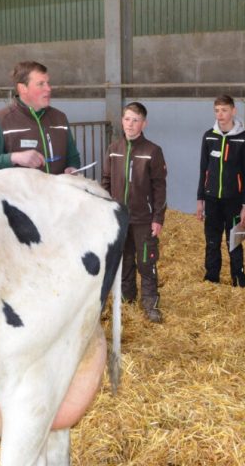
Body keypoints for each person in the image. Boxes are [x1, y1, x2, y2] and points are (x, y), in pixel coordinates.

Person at [101, 102, 167, 323]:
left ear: (143, 124)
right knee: (124, 260)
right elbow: (106, 181)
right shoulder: (113, 149)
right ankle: (127, 299)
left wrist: (158, 217)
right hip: (120, 218)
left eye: (135, 120)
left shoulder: (152, 151)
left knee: (146, 261)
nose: (130, 124)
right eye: (127, 119)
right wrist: (107, 211)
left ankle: (150, 303)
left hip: (143, 219)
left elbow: (160, 187)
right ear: (122, 121)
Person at [0, 61, 81, 174]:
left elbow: (73, 157)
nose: (48, 89)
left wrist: (72, 167)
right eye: (41, 84)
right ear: (23, 88)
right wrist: (14, 158)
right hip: (18, 186)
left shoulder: (60, 118)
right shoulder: (0, 121)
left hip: (56, 185)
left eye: (48, 83)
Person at [196, 95, 245, 287]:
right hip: (212, 198)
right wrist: (200, 199)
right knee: (212, 241)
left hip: (234, 200)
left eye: (224, 110)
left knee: (234, 240)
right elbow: (203, 170)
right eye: (217, 110)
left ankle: (238, 278)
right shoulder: (209, 136)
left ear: (233, 111)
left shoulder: (243, 139)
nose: (220, 114)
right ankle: (212, 277)